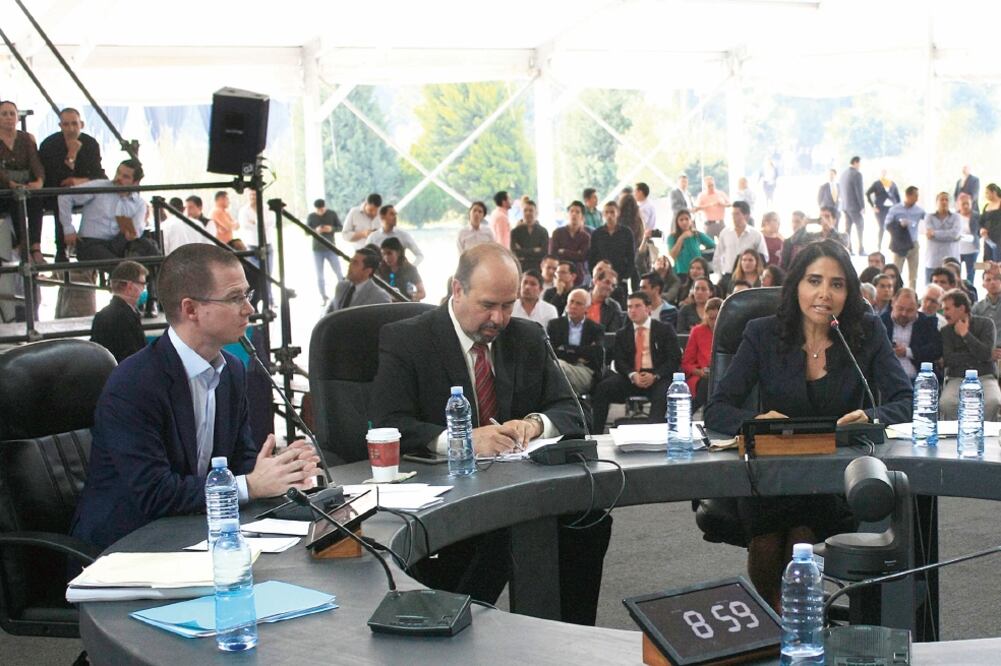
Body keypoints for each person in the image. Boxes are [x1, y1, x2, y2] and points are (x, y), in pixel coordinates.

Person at [369, 243, 611, 625]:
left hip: (519, 484)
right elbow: (387, 423)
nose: (498, 319)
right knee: (500, 530)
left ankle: (568, 637)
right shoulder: (407, 340)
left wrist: (533, 423)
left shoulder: (527, 337)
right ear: (457, 289)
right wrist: (460, 440)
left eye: (508, 305)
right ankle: (445, 634)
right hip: (446, 494)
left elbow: (575, 411)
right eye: (487, 305)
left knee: (588, 515)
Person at [705, 239, 912, 609]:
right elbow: (717, 408)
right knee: (768, 540)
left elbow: (906, 400)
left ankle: (787, 622)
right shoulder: (762, 333)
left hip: (833, 473)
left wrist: (871, 416)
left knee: (802, 534)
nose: (824, 293)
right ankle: (782, 617)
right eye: (814, 281)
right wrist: (754, 421)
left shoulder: (865, 333)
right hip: (770, 472)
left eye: (836, 284)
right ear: (796, 285)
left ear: (848, 291)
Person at [71, 244, 320, 550]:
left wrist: (278, 470)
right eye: (235, 298)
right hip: (128, 545)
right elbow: (154, 492)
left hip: (196, 530)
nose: (249, 309)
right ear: (190, 310)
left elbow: (239, 462)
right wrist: (250, 485)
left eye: (247, 295)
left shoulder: (232, 372)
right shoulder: (134, 384)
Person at [591, 291, 681, 434]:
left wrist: (656, 375)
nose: (632, 310)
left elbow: (674, 359)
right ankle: (595, 435)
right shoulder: (622, 333)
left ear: (648, 308)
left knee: (663, 392)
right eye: (629, 307)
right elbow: (619, 361)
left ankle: (653, 435)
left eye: (637, 306)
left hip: (657, 377)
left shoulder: (664, 330)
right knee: (603, 388)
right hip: (632, 377)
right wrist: (632, 375)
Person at [38, 106, 107, 262]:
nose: (71, 128)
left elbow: (98, 174)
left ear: (81, 124)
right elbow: (56, 179)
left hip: (84, 190)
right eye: (66, 124)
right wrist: (71, 155)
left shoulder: (90, 144)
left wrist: (80, 181)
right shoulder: (49, 145)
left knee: (102, 197)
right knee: (61, 198)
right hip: (56, 192)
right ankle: (61, 250)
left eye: (74, 124)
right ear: (60, 126)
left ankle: (94, 245)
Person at [57, 159, 157, 261]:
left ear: (135, 183)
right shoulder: (100, 186)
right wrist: (68, 228)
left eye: (125, 177)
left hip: (119, 243)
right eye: (118, 173)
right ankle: (127, 271)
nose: (118, 178)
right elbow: (65, 197)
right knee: (119, 265)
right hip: (91, 243)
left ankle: (156, 274)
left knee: (149, 247)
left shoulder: (138, 203)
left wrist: (131, 233)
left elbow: (135, 232)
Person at [940, 289, 1000, 420]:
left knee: (992, 402)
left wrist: (965, 334)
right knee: (947, 403)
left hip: (985, 376)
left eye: (947, 309)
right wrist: (978, 356)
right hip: (957, 378)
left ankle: (984, 435)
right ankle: (956, 434)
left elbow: (985, 354)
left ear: (961, 308)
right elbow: (949, 359)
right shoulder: (945, 331)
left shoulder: (986, 324)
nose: (944, 314)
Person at [0, 100, 45, 262]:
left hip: (25, 182)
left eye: (12, 114)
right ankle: (22, 245)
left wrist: (39, 181)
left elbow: (35, 162)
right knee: (16, 199)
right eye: (4, 114)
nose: (8, 117)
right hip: (4, 187)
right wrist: (11, 184)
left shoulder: (26, 139)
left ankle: (35, 246)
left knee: (36, 199)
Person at [546, 288, 605, 395]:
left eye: (578, 303)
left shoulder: (596, 328)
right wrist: (579, 355)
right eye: (571, 302)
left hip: (584, 371)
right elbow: (550, 351)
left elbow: (596, 355)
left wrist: (565, 348)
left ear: (587, 308)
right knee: (557, 367)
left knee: (558, 368)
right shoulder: (554, 325)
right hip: (559, 366)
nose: (573, 306)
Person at [90, 260, 148, 363]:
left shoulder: (101, 315)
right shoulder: (127, 317)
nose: (143, 288)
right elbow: (134, 357)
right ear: (130, 286)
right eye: (142, 284)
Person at [880, 288, 943, 381]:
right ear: (893, 303)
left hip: (919, 379)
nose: (904, 314)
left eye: (910, 310)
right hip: (887, 379)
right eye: (900, 308)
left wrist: (908, 352)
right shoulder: (881, 322)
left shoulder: (927, 323)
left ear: (917, 307)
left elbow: (936, 349)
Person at [713, 201, 768, 286]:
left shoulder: (756, 235)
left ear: (746, 215)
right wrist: (720, 275)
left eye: (737, 214)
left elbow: (763, 257)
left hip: (748, 277)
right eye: (732, 214)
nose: (733, 217)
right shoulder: (725, 233)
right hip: (728, 276)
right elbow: (718, 255)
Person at [682, 297, 722, 411]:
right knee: (707, 386)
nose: (714, 323)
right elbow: (686, 363)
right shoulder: (697, 331)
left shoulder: (731, 332)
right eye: (711, 318)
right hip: (701, 377)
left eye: (717, 318)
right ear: (705, 316)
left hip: (724, 375)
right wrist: (700, 372)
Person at [326, 246, 392, 312]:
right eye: (351, 261)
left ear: (367, 271)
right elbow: (329, 312)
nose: (349, 265)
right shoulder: (341, 286)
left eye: (355, 263)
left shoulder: (380, 298)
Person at [884, 186, 925, 290]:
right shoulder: (895, 209)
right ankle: (895, 292)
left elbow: (929, 219)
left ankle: (912, 293)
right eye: (915, 195)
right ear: (908, 195)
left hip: (913, 244)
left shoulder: (919, 210)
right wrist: (899, 225)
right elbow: (887, 225)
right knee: (896, 272)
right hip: (899, 244)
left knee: (913, 274)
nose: (917, 198)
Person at [588, 199, 635, 287]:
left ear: (618, 213)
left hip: (620, 275)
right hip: (600, 276)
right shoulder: (597, 233)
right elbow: (592, 256)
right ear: (603, 214)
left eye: (612, 212)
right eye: (606, 212)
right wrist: (593, 274)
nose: (609, 215)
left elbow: (631, 256)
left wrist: (626, 275)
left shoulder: (626, 232)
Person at [307, 198, 343, 306]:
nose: (320, 212)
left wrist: (331, 229)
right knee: (320, 274)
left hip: (331, 247)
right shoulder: (311, 217)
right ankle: (323, 296)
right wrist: (316, 231)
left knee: (338, 272)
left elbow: (340, 227)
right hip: (317, 249)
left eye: (322, 210)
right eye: (318, 210)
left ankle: (343, 293)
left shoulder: (332, 214)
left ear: (325, 207)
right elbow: (306, 231)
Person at [924, 192, 963, 284]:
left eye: (947, 200)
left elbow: (955, 234)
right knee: (931, 290)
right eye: (942, 199)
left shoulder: (957, 217)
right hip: (933, 261)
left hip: (951, 260)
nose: (944, 202)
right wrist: (948, 235)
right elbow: (929, 234)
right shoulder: (929, 217)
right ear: (936, 202)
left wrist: (935, 234)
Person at [550, 201, 591, 282]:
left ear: (582, 217)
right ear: (567, 214)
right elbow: (553, 254)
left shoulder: (585, 236)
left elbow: (583, 257)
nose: (574, 214)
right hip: (560, 272)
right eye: (571, 211)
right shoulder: (557, 233)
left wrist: (564, 251)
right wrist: (576, 253)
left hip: (578, 274)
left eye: (577, 212)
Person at [667, 208, 714, 277]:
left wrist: (700, 251)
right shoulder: (672, 237)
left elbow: (712, 244)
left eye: (687, 219)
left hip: (699, 273)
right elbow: (673, 255)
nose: (684, 222)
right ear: (677, 222)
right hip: (682, 273)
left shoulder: (696, 234)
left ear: (691, 221)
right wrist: (681, 238)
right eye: (681, 220)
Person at [377, 237, 424, 301]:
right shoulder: (379, 270)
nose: (386, 257)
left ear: (398, 253)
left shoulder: (410, 269)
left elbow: (422, 292)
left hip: (406, 305)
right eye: (383, 254)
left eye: (389, 253)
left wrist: (413, 297)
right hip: (386, 305)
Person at [866, 169, 901, 252]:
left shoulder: (892, 184)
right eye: (883, 173)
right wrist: (872, 206)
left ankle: (893, 245)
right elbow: (867, 193)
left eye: (886, 173)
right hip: (880, 209)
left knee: (892, 227)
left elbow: (898, 197)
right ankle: (879, 246)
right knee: (881, 227)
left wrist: (899, 209)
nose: (885, 175)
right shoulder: (877, 183)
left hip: (892, 209)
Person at [510, 199, 549, 271]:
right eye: (525, 210)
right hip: (521, 267)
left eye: (531, 210)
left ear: (536, 213)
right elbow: (515, 252)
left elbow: (544, 253)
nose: (528, 213)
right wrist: (534, 250)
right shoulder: (515, 232)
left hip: (538, 267)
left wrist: (523, 251)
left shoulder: (543, 231)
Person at [840, 157, 866, 252]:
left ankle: (848, 248)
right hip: (854, 207)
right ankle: (861, 248)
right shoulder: (857, 174)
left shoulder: (843, 174)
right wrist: (862, 206)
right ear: (855, 162)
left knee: (847, 229)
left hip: (845, 206)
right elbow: (859, 191)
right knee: (860, 226)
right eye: (859, 163)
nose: (860, 166)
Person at [972, 266, 1001, 351]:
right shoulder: (977, 308)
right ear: (983, 284)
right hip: (986, 352)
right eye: (988, 280)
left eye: (996, 279)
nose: (993, 282)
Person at [694, 175, 730, 240]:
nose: (711, 187)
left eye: (712, 185)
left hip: (721, 223)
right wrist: (709, 205)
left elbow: (730, 204)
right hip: (709, 225)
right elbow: (696, 209)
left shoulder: (720, 193)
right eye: (709, 185)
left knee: (725, 244)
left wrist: (723, 204)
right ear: (705, 186)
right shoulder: (701, 196)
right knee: (709, 247)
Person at [956, 193, 981, 284]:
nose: (966, 206)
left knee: (971, 273)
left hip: (972, 249)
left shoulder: (976, 216)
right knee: (956, 273)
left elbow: (980, 232)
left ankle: (969, 292)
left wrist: (976, 236)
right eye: (963, 204)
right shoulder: (955, 216)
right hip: (958, 249)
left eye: (968, 203)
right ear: (959, 205)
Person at [979, 183, 1001, 262]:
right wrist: (982, 229)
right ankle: (986, 274)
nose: (985, 195)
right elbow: (981, 220)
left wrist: (991, 231)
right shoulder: (986, 206)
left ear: (994, 192)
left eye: (987, 193)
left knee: (997, 261)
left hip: (998, 238)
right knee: (987, 261)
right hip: (987, 238)